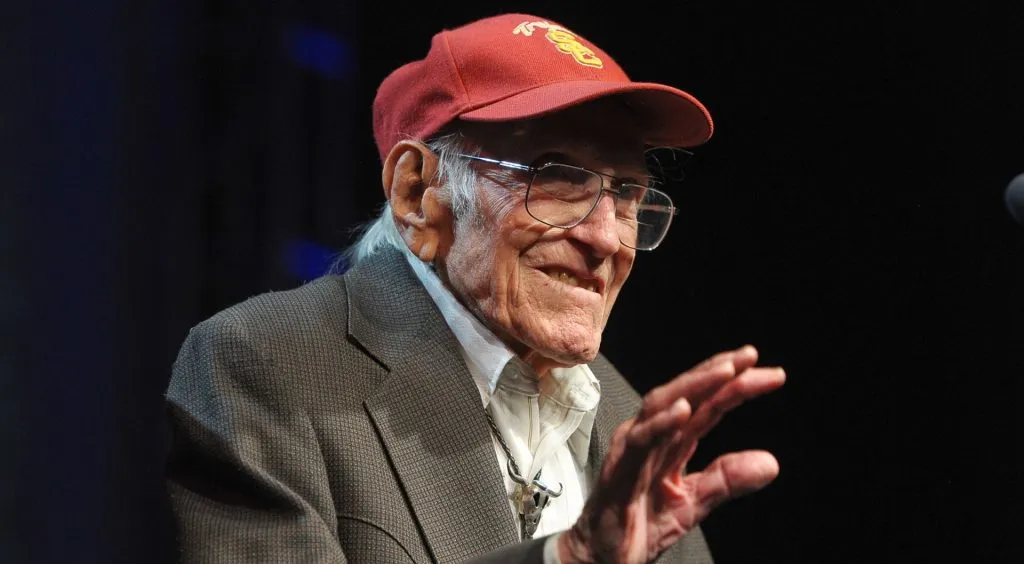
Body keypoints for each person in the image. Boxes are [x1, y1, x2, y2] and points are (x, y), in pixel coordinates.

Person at [164, 12, 786, 563]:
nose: (606, 238)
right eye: (558, 178)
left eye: (625, 193)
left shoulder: (629, 422)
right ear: (417, 193)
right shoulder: (270, 365)